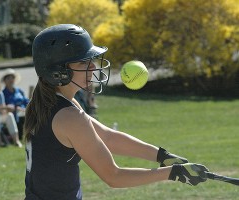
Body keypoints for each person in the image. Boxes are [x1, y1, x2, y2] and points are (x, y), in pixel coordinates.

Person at [24, 24, 208, 200]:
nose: (93, 66)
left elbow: (107, 137)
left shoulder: (52, 103)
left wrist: (162, 156)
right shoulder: (69, 117)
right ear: (58, 71)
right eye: (83, 62)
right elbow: (113, 176)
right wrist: (172, 173)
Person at [1, 68, 29, 140]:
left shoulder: (19, 91)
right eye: (8, 78)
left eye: (12, 77)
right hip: (13, 113)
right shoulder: (3, 93)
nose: (11, 80)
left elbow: (26, 101)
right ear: (4, 80)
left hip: (24, 111)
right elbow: (4, 106)